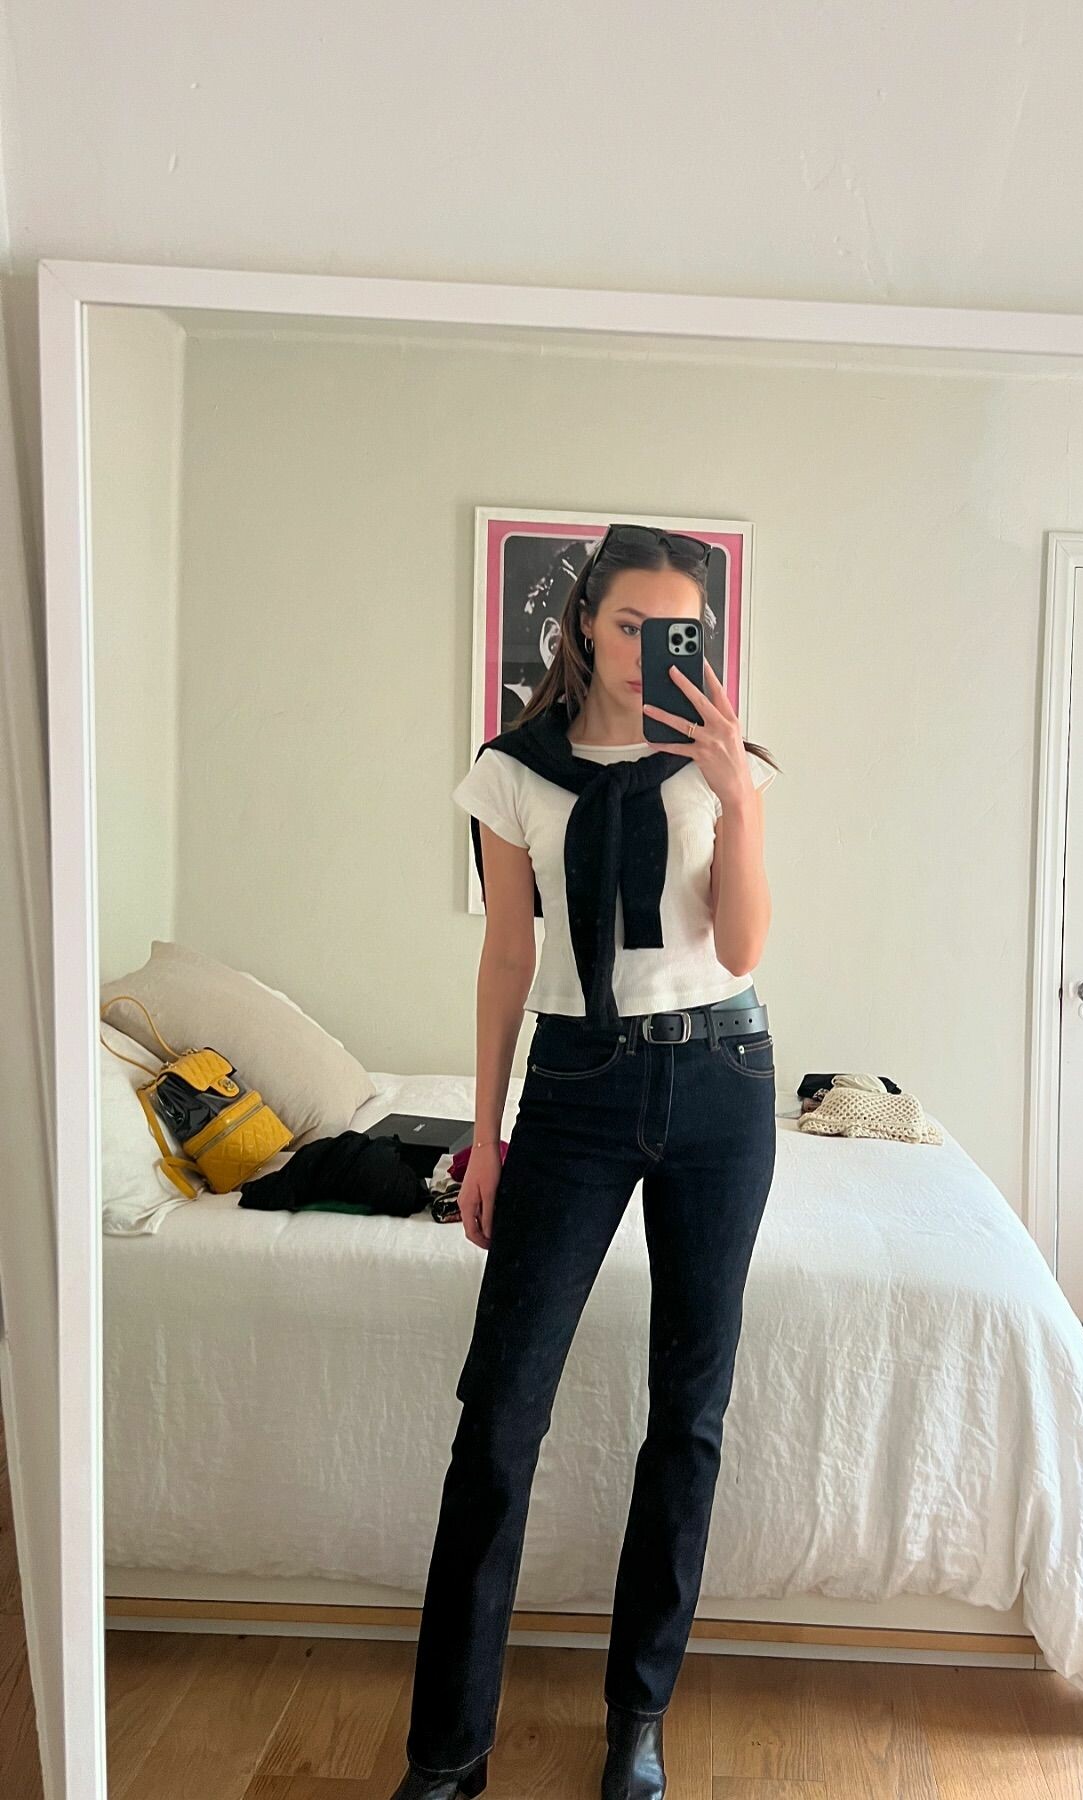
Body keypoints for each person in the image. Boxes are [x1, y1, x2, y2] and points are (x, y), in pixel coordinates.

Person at [389, 524, 781, 1800]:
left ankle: (638, 1722)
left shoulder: (722, 769)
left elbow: (742, 949)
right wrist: (485, 1131)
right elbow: (508, 953)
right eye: (629, 624)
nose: (648, 648)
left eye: (677, 630)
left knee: (690, 1411)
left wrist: (736, 795)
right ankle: (448, 1753)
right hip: (574, 1084)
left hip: (722, 1081)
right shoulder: (514, 773)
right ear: (584, 626)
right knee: (500, 1416)